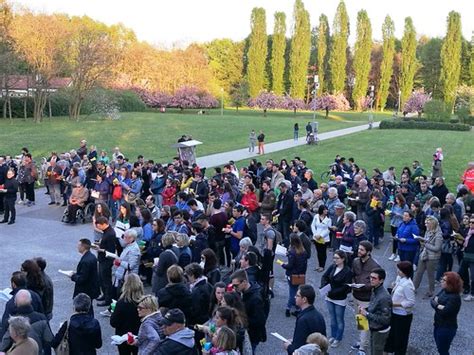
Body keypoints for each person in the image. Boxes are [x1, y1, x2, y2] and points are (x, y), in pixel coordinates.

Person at [350, 241, 380, 354]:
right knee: (359, 320)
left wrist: (363, 287)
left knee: (363, 322)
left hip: (365, 298)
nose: (359, 251)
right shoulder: (355, 261)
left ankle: (362, 346)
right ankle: (362, 342)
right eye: (359, 249)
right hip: (355, 295)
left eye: (362, 250)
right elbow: (353, 275)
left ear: (368, 252)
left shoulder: (374, 266)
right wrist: (353, 283)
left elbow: (376, 283)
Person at [0, 289, 53, 354]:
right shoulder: (41, 318)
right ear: (30, 301)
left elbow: (4, 344)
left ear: (15, 302)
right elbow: (48, 341)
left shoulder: (12, 322)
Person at [320, 250, 352, 348]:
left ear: (343, 259)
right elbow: (324, 276)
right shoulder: (333, 266)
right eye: (334, 258)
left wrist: (333, 292)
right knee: (332, 318)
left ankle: (338, 338)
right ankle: (333, 335)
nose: (335, 260)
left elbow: (346, 287)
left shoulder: (347, 271)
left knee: (339, 319)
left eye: (337, 258)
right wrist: (323, 285)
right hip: (329, 296)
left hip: (339, 298)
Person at [230, 269, 266, 353]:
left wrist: (241, 320)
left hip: (251, 335)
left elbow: (260, 321)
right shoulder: (244, 292)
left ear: (244, 282)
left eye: (236, 285)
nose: (234, 288)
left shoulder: (256, 298)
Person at [284, 284, 326, 354]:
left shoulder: (303, 320)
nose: (295, 297)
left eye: (297, 296)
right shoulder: (319, 315)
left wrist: (288, 347)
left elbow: (298, 350)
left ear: (304, 299)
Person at [384, 261, 415, 355]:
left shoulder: (408, 285)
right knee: (392, 335)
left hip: (402, 315)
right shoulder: (400, 279)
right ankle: (389, 350)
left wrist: (395, 304)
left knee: (400, 338)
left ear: (405, 271)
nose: (397, 271)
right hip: (395, 313)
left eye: (400, 269)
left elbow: (411, 302)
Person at [110, 274, 143, 355]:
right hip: (140, 335)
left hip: (123, 337)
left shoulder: (121, 303)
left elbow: (113, 322)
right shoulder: (144, 302)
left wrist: (113, 311)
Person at [431, 272, 462, 355]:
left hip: (447, 328)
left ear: (451, 283)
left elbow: (445, 311)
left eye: (444, 280)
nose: (441, 281)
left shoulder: (455, 298)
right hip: (438, 324)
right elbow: (432, 300)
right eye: (442, 279)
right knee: (440, 347)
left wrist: (436, 305)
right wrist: (439, 306)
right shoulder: (444, 290)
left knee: (443, 350)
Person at [413, 216, 443, 298]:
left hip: (432, 258)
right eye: (425, 223)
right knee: (419, 272)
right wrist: (422, 240)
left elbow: (437, 248)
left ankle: (431, 291)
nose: (425, 225)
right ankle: (414, 288)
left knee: (430, 275)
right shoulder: (428, 231)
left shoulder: (438, 235)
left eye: (427, 223)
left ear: (432, 224)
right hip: (424, 255)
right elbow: (427, 241)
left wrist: (425, 244)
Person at [70, 239, 100, 309]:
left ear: (83, 247)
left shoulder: (85, 261)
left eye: (79, 245)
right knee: (89, 308)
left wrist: (72, 276)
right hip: (91, 288)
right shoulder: (92, 256)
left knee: (84, 309)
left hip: (85, 290)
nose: (77, 247)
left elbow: (82, 279)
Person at [281, 235, 308, 317]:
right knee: (297, 290)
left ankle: (288, 308)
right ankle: (298, 308)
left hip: (292, 274)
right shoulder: (303, 251)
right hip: (300, 274)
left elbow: (290, 265)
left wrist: (283, 265)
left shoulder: (292, 252)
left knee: (292, 292)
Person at [311, 205, 332, 272]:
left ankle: (322, 266)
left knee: (323, 252)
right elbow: (313, 225)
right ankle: (319, 265)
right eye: (324, 210)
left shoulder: (328, 219)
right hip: (316, 237)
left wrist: (321, 235)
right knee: (318, 251)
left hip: (324, 238)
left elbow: (328, 229)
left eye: (326, 210)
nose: (326, 211)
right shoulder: (316, 216)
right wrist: (315, 234)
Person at [459, 216, 474, 301]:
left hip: (472, 257)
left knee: (473, 276)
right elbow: (464, 243)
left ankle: (472, 294)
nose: (471, 224)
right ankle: (464, 288)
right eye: (470, 222)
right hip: (466, 255)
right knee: (461, 272)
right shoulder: (467, 231)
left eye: (473, 222)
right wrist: (461, 242)